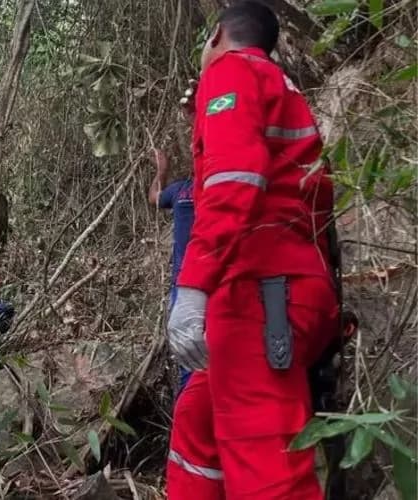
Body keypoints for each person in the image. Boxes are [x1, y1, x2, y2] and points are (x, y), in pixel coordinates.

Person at [165, 2, 338, 499]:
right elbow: (312, 198)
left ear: (217, 36)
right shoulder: (280, 87)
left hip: (261, 293)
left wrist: (193, 287)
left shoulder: (230, 71)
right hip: (285, 286)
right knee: (198, 424)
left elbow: (232, 182)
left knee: (267, 470)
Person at [147, 147, 194, 391]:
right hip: (196, 283)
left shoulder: (183, 190)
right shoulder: (183, 189)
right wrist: (162, 170)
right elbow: (155, 198)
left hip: (193, 282)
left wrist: (161, 171)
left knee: (192, 358)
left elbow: (154, 197)